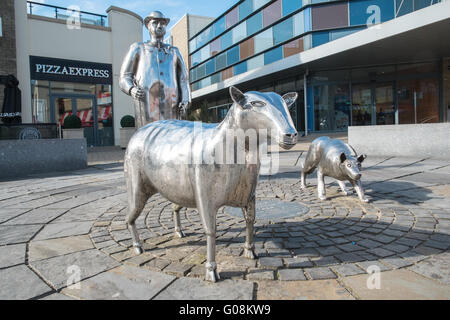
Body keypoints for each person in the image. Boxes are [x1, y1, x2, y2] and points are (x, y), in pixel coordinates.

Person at [119, 11, 191, 128]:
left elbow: (183, 78)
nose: (159, 26)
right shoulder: (138, 48)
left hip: (171, 104)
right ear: (148, 26)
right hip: (146, 103)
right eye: (155, 22)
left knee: (172, 138)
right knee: (148, 138)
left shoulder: (174, 51)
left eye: (163, 23)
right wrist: (131, 89)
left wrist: (186, 99)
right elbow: (124, 77)